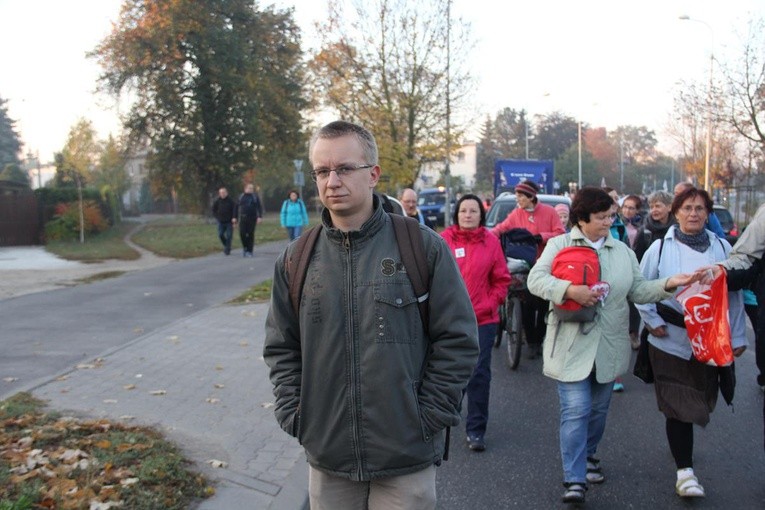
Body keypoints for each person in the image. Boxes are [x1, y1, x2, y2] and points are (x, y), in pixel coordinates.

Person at [263, 120, 479, 510]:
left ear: (373, 174)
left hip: (406, 454)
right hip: (329, 458)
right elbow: (281, 347)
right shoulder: (296, 260)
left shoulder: (421, 248)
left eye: (344, 168)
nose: (332, 181)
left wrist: (428, 416)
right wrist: (297, 414)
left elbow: (458, 340)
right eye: (322, 171)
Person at [526, 186, 698, 506]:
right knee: (576, 410)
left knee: (598, 412)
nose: (609, 221)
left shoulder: (622, 251)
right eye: (602, 216)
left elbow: (639, 291)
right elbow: (535, 281)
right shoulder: (558, 245)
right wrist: (569, 290)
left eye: (611, 216)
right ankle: (574, 478)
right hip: (570, 344)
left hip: (609, 345)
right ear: (582, 218)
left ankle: (589, 454)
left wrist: (669, 285)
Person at [637, 186, 746, 499]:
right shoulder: (659, 248)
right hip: (670, 340)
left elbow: (734, 296)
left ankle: (683, 456)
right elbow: (642, 287)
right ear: (676, 212)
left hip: (710, 343)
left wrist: (737, 336)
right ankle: (684, 472)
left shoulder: (723, 247)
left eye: (699, 208)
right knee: (677, 404)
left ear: (707, 213)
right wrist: (652, 321)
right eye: (687, 208)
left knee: (701, 400)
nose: (693, 214)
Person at [441, 194, 511, 452]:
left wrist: (491, 303)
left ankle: (476, 430)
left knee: (479, 375)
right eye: (463, 211)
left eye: (473, 211)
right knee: (448, 372)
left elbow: (502, 279)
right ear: (457, 215)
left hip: (483, 319)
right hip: (449, 320)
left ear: (481, 215)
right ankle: (444, 418)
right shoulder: (444, 240)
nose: (468, 215)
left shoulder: (491, 242)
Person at [492, 180, 566, 358]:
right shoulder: (516, 214)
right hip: (523, 266)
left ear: (531, 196)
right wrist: (484, 237)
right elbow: (500, 229)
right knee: (525, 303)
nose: (517, 199)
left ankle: (537, 340)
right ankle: (530, 339)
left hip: (545, 265)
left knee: (542, 307)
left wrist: (541, 237)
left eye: (520, 196)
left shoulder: (549, 212)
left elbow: (560, 232)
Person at [237, 183, 263, 257]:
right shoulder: (241, 196)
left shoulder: (255, 197)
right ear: (245, 189)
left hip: (252, 218)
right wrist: (235, 217)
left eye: (252, 188)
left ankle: (249, 250)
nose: (251, 189)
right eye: (249, 188)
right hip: (243, 218)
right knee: (242, 233)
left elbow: (259, 207)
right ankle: (245, 247)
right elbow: (236, 207)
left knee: (250, 234)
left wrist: (259, 217)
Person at [211, 187, 237, 255]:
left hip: (229, 222)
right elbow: (213, 210)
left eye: (224, 192)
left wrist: (234, 217)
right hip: (221, 221)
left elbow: (234, 209)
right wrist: (217, 217)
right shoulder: (217, 201)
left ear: (226, 193)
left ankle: (227, 249)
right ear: (219, 194)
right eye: (221, 193)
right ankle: (227, 246)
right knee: (220, 235)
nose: (222, 194)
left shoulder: (231, 201)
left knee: (229, 236)